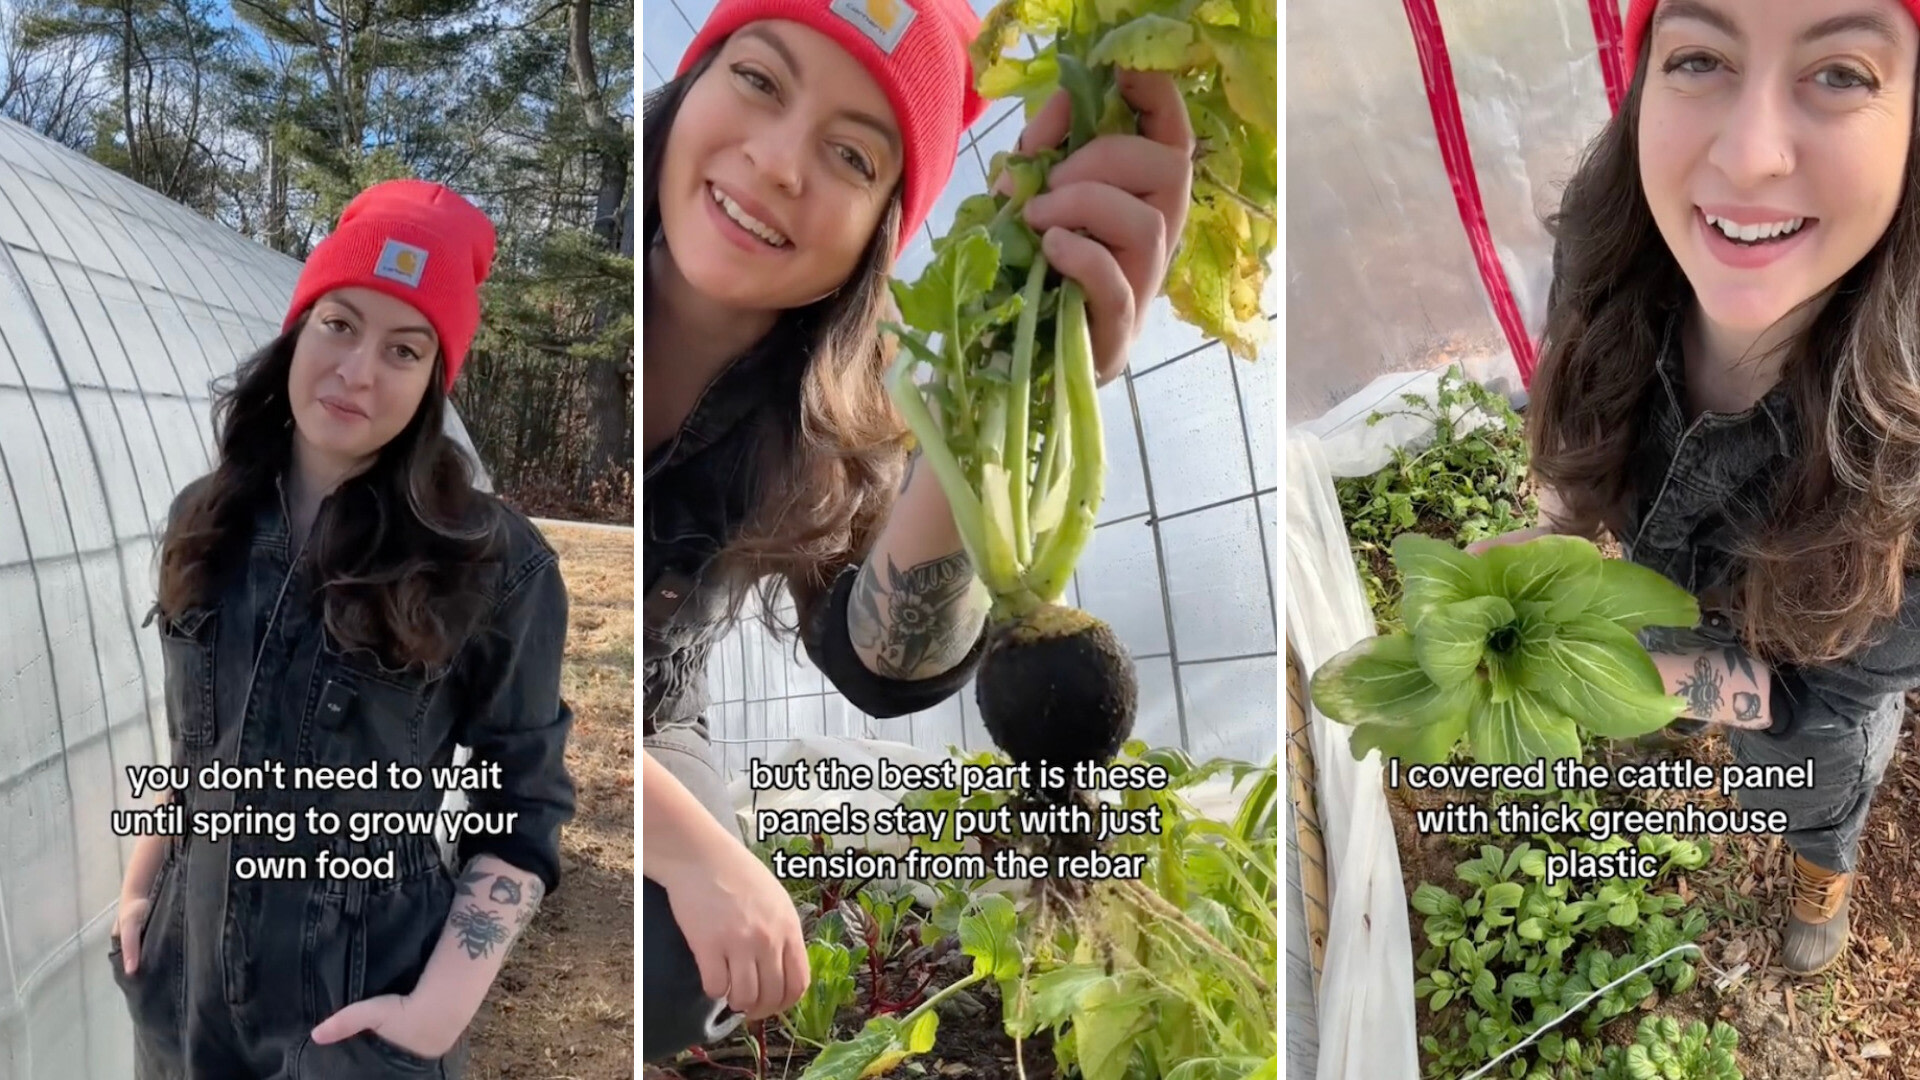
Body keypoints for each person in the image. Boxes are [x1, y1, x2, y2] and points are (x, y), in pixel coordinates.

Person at [639, 0, 1194, 1060]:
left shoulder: (842, 414)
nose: (779, 162)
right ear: (691, 81)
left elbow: (878, 661)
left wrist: (1019, 366)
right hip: (538, 708)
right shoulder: (580, 283)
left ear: (884, 227)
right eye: (758, 79)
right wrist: (695, 848)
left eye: (853, 153)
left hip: (654, 715)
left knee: (681, 975)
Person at [1472, 0, 1920, 977]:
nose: (1751, 153)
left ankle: (1822, 877)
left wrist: (1616, 674)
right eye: (1700, 58)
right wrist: (1556, 539)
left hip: (1812, 695)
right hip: (1672, 609)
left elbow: (1813, 700)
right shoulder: (1605, 263)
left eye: (1842, 71)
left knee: (1801, 787)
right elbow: (1574, 426)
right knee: (1675, 674)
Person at [112, 179, 578, 1077]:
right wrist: (139, 891)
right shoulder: (205, 518)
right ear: (297, 327)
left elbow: (522, 812)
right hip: (183, 995)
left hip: (356, 1019)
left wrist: (435, 1013)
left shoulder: (496, 563)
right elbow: (190, 746)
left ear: (434, 380)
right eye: (340, 324)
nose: (359, 370)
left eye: (404, 349)